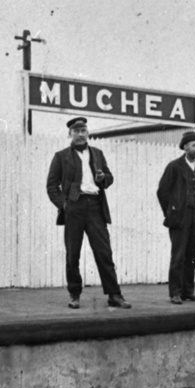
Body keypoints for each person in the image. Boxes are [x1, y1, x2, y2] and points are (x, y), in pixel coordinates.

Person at [46, 117, 130, 309]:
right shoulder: (61, 156)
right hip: (74, 206)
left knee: (104, 252)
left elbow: (108, 179)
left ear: (88, 133)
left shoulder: (97, 153)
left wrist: (103, 178)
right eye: (76, 131)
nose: (80, 134)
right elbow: (51, 186)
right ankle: (74, 294)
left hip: (96, 206)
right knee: (72, 254)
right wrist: (64, 205)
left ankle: (114, 295)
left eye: (83, 130)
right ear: (70, 134)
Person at [157, 130, 195, 305]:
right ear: (185, 147)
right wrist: (171, 212)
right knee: (178, 256)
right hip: (180, 217)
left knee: (193, 255)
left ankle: (188, 291)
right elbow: (162, 191)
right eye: (194, 145)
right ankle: (175, 293)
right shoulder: (174, 166)